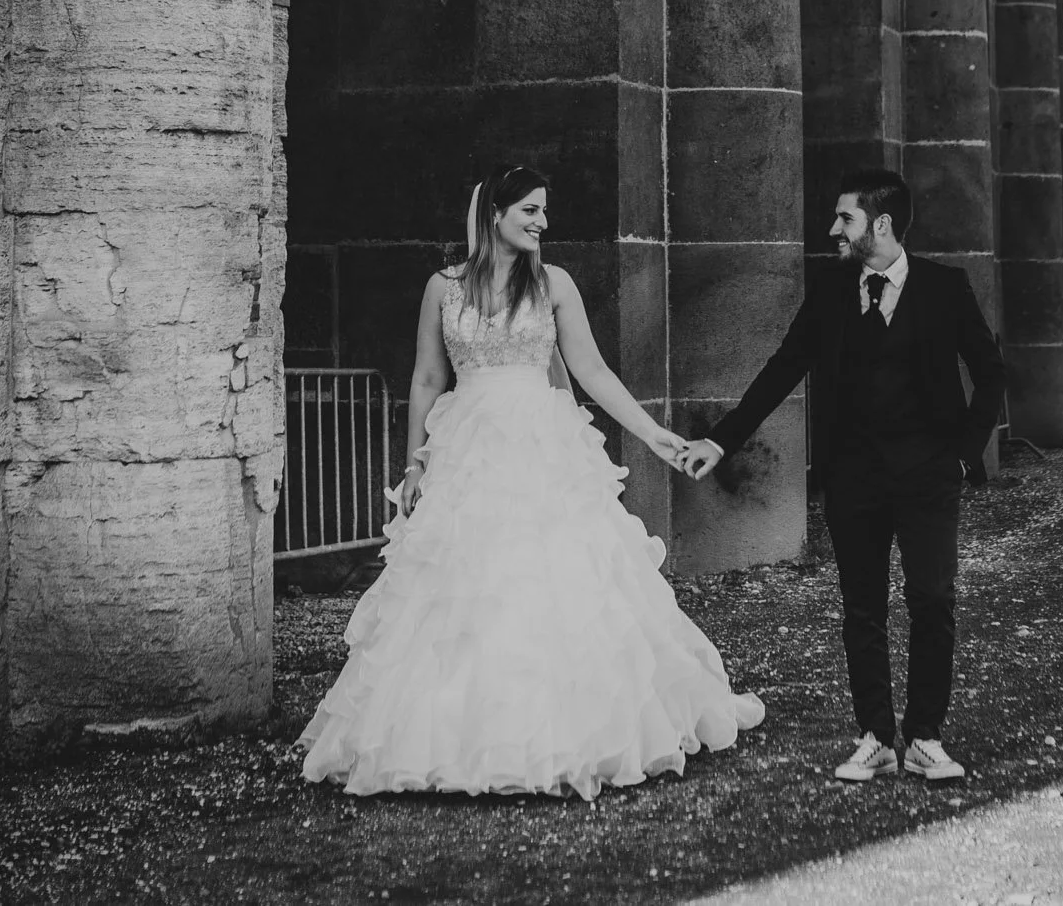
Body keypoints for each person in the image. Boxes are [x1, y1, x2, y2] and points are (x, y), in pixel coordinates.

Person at [300, 165, 765, 799]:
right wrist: (414, 463)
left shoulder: (553, 284)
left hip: (543, 442)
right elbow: (427, 380)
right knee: (461, 589)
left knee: (557, 576)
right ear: (494, 212)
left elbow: (592, 371)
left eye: (544, 211)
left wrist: (654, 434)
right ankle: (453, 737)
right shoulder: (444, 287)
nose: (543, 222)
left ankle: (568, 733)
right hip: (467, 443)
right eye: (530, 210)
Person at [680, 168, 1001, 784]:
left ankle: (926, 738)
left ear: (880, 225)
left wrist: (964, 453)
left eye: (844, 218)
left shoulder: (944, 288)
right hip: (854, 476)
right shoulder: (830, 289)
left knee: (932, 600)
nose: (833, 229)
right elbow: (782, 369)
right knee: (863, 608)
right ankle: (877, 737)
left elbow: (990, 374)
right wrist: (722, 441)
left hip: (928, 474)